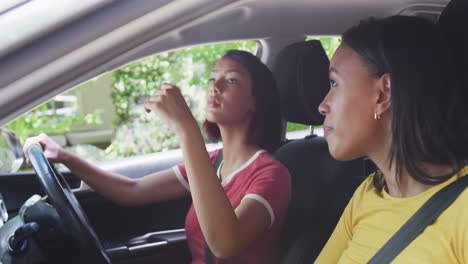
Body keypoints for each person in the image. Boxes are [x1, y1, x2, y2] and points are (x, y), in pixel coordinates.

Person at [23, 50, 291, 264]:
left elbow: (224, 243)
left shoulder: (271, 175)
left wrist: (186, 129)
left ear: (256, 101)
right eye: (212, 79)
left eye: (231, 80)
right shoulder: (213, 162)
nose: (215, 87)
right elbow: (132, 191)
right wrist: (65, 156)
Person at [315, 16, 468, 263]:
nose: (323, 105)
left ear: (384, 93)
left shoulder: (463, 210)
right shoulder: (367, 194)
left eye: (335, 83)